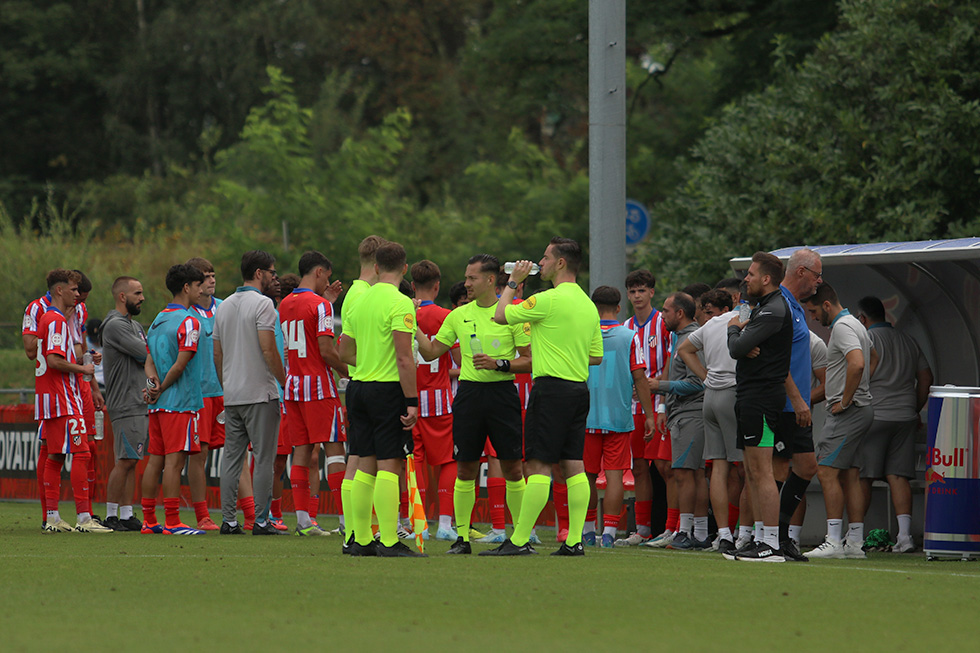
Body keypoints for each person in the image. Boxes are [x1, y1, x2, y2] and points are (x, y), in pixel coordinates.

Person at [484, 237, 603, 556]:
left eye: (546, 258)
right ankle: (575, 541)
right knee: (574, 465)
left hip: (551, 389)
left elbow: (499, 315)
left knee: (538, 465)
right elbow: (596, 356)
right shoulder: (588, 305)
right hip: (579, 389)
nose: (541, 262)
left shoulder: (547, 300)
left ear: (561, 263)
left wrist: (513, 281)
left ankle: (519, 540)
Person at [416, 254, 531, 555]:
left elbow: (530, 360)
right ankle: (462, 538)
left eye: (472, 278)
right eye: (466, 278)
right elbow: (429, 352)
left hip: (503, 395)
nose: (466, 283)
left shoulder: (512, 314)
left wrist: (500, 364)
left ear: (491, 280)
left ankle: (518, 539)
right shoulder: (458, 315)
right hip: (468, 396)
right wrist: (408, 321)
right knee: (465, 466)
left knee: (512, 466)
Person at [339, 241, 425, 557]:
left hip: (358, 387)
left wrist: (367, 361)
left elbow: (343, 350)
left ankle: (360, 539)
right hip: (387, 389)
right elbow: (405, 358)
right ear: (404, 269)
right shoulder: (400, 303)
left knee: (363, 462)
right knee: (390, 464)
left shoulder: (359, 300)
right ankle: (389, 541)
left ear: (375, 267)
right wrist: (412, 401)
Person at [724, 251, 794, 562]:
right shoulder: (763, 307)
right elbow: (741, 347)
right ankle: (759, 540)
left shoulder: (774, 309)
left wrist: (735, 327)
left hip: (763, 398)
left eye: (751, 274)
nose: (746, 279)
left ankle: (771, 545)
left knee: (763, 471)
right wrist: (742, 333)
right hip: (751, 397)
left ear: (766, 279)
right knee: (752, 471)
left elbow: (736, 347)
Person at [213, 251, 287, 535]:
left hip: (232, 394)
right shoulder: (264, 304)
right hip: (260, 393)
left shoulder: (225, 305)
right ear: (259, 273)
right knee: (263, 459)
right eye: (271, 271)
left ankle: (229, 520)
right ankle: (260, 520)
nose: (273, 276)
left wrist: (226, 384)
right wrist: (284, 381)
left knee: (232, 459)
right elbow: (268, 349)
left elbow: (217, 353)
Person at [803, 282, 877, 559]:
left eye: (812, 311)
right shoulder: (856, 324)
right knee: (850, 474)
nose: (812, 317)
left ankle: (834, 541)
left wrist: (845, 399)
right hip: (861, 409)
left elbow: (857, 363)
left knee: (826, 471)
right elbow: (873, 357)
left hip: (848, 411)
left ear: (825, 305)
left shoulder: (843, 327)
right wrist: (862, 388)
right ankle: (855, 543)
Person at [36, 269, 111, 533]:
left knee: (55, 455)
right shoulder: (55, 320)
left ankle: (53, 517)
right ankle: (84, 518)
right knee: (82, 452)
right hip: (63, 397)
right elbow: (55, 361)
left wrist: (85, 357)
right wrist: (84, 371)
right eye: (73, 289)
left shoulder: (54, 319)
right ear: (60, 290)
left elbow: (59, 355)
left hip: (53, 396)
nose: (78, 294)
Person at [278, 250, 347, 536]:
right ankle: (347, 521)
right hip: (318, 386)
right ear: (318, 272)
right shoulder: (320, 306)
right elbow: (325, 350)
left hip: (293, 386)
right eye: (326, 277)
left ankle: (304, 521)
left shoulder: (283, 303)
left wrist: (325, 302)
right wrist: (346, 370)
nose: (327, 283)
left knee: (302, 452)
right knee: (335, 451)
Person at [856, 295, 930, 553]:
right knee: (899, 476)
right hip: (905, 417)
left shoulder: (867, 339)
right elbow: (926, 376)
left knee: (863, 476)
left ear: (862, 318)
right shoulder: (907, 340)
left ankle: (854, 536)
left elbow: (857, 372)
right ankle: (905, 537)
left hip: (875, 416)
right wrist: (915, 407)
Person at [583, 286, 654, 548]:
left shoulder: (583, 333)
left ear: (593, 306)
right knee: (614, 475)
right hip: (618, 417)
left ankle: (588, 531)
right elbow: (640, 377)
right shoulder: (629, 336)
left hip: (586, 416)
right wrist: (648, 414)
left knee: (587, 476)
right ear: (618, 307)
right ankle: (610, 534)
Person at [142, 263, 207, 535]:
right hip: (179, 402)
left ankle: (148, 520)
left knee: (155, 459)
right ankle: (172, 521)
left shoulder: (158, 319)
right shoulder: (189, 321)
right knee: (174, 462)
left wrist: (153, 385)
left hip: (158, 406)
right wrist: (163, 386)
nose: (202, 291)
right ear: (186, 287)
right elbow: (180, 365)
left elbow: (148, 360)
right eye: (198, 286)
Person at [677, 288, 741, 553]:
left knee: (718, 467)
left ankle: (723, 533)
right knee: (748, 468)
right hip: (733, 393)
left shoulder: (710, 324)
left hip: (711, 396)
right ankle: (747, 532)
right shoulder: (742, 317)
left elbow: (684, 349)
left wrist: (705, 376)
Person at [772, 248, 824, 562]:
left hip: (798, 406)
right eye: (817, 275)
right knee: (774, 471)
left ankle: (781, 536)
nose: (820, 282)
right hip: (785, 403)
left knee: (807, 467)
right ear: (802, 272)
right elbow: (777, 360)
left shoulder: (797, 307)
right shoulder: (778, 303)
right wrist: (795, 398)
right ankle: (766, 537)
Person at [337, 234, 387, 550]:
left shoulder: (356, 291)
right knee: (364, 462)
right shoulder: (362, 294)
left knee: (358, 459)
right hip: (367, 383)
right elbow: (346, 350)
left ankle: (355, 531)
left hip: (361, 383)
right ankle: (356, 531)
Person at [649, 292, 708, 550]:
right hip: (683, 413)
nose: (662, 315)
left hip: (691, 413)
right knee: (691, 473)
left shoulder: (692, 339)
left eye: (665, 311)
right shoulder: (682, 338)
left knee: (686, 473)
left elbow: (698, 382)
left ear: (679, 314)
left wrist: (659, 386)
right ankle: (698, 533)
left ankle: (687, 531)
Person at [619, 269, 673, 547]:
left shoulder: (663, 323)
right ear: (627, 295)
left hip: (659, 405)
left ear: (652, 292)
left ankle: (674, 526)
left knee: (665, 467)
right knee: (639, 468)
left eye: (642, 290)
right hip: (633, 408)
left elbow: (671, 359)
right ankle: (642, 529)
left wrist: (660, 388)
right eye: (633, 291)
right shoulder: (625, 327)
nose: (637, 296)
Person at [409, 259, 460, 541]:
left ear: (413, 286)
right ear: (437, 286)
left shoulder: (404, 313)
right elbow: (460, 361)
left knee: (414, 460)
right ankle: (444, 524)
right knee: (447, 460)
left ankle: (418, 523)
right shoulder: (446, 316)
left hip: (409, 399)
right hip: (440, 399)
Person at [101, 276, 151, 531]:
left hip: (138, 402)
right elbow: (146, 353)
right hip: (125, 402)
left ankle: (126, 514)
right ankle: (110, 515)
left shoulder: (136, 325)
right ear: (123, 297)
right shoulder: (114, 326)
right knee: (125, 460)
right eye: (137, 293)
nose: (142, 298)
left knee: (132, 459)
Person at [184, 257, 224, 531]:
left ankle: (249, 513)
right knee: (199, 456)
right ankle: (202, 515)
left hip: (225, 392)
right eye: (205, 276)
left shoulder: (225, 308)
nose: (211, 280)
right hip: (197, 395)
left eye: (213, 275)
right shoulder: (184, 314)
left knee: (236, 453)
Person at [23, 281, 54, 526]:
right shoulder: (37, 309)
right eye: (75, 290)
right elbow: (30, 350)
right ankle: (48, 516)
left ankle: (87, 515)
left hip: (77, 384)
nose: (78, 297)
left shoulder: (79, 310)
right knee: (49, 447)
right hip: (50, 386)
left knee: (87, 450)